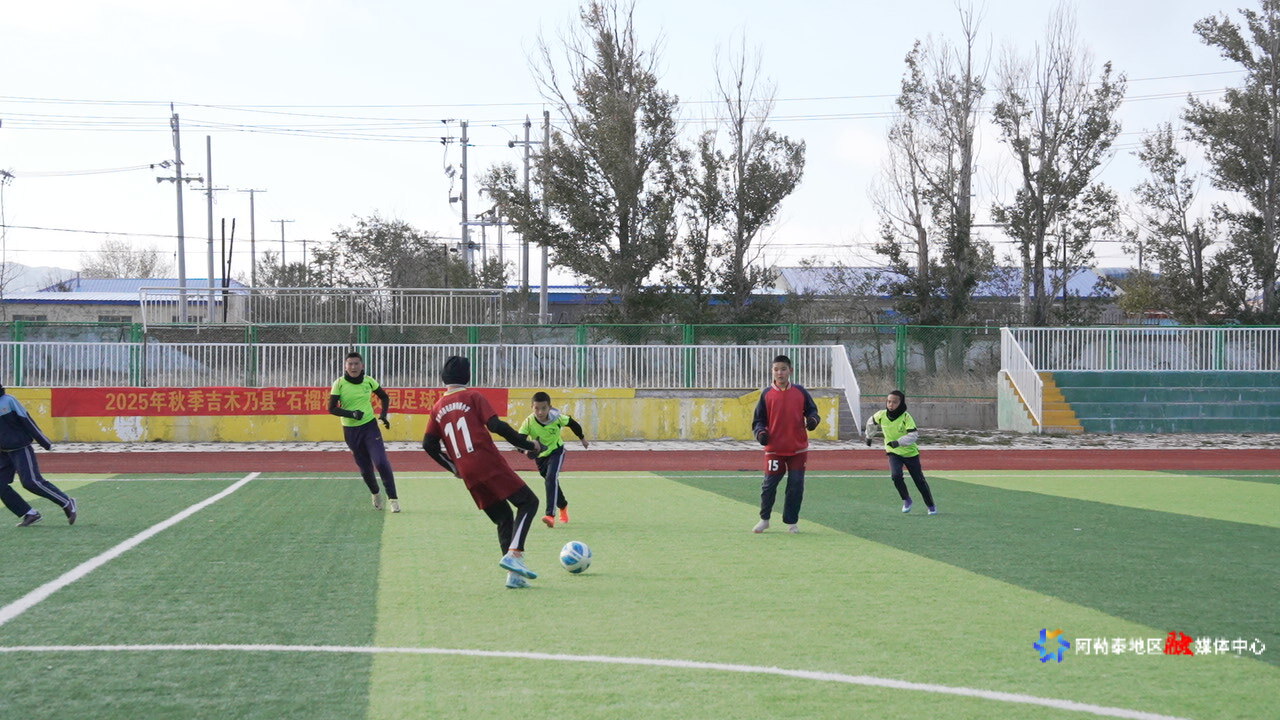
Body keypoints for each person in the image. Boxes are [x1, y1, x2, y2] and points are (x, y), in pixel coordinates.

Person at [422, 356, 543, 589]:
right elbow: (496, 426)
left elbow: (429, 444)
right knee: (529, 502)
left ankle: (514, 576)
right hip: (487, 462)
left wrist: (453, 467)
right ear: (468, 375)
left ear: (444, 377)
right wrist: (529, 445)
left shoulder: (437, 408)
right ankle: (514, 554)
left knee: (503, 517)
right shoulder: (473, 397)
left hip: (469, 474)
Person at [751, 355, 820, 534]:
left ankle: (792, 522)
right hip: (774, 449)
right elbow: (758, 421)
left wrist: (813, 420)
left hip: (798, 449)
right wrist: (761, 433)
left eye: (783, 369)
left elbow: (812, 411)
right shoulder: (766, 394)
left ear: (790, 371)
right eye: (776, 369)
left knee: (795, 486)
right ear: (772, 371)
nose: (779, 373)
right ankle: (764, 519)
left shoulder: (800, 391)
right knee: (769, 486)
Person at [328, 351, 399, 512]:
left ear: (362, 366)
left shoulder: (369, 381)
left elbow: (384, 397)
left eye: (356, 364)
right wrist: (351, 414)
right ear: (345, 366)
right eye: (350, 364)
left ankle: (393, 499)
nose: (353, 367)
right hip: (351, 431)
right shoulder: (339, 384)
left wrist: (383, 415)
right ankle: (376, 493)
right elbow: (331, 408)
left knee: (381, 462)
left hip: (370, 427)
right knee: (365, 469)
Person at [0, 385, 76, 527]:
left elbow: (27, 421)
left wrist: (45, 442)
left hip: (20, 448)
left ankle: (66, 502)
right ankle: (29, 513)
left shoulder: (9, 401)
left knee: (31, 482)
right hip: (3, 452)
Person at [517, 391, 589, 528]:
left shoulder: (557, 418)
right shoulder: (528, 422)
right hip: (540, 457)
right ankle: (563, 505)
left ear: (549, 407)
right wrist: (526, 450)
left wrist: (582, 438)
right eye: (536, 408)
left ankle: (550, 515)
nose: (540, 412)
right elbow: (518, 441)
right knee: (551, 482)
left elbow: (573, 424)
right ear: (532, 407)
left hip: (557, 451)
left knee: (551, 478)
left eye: (544, 408)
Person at [864, 390, 937, 515]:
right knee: (896, 476)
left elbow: (913, 435)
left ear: (901, 403)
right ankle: (907, 499)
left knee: (919, 480)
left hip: (910, 453)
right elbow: (871, 423)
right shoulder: (881, 415)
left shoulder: (906, 417)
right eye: (888, 402)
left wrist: (898, 442)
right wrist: (869, 436)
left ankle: (930, 505)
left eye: (894, 402)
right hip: (893, 452)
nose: (891, 405)